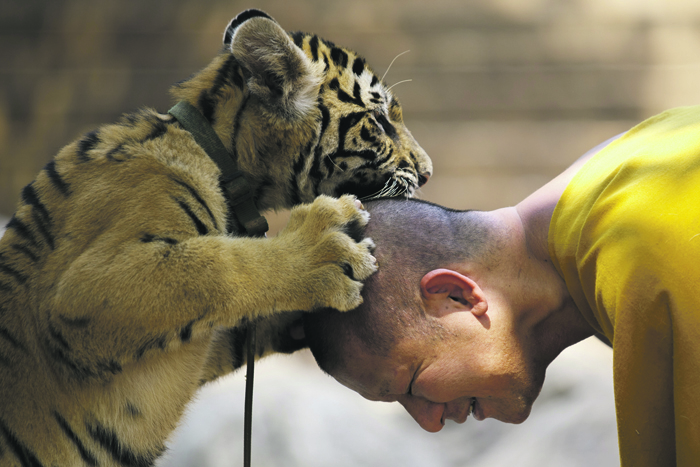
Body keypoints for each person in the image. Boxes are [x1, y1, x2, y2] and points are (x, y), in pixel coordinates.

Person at [302, 106, 700, 466]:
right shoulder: (629, 168)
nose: (431, 423)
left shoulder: (652, 255)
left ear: (455, 295)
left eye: (411, 385)